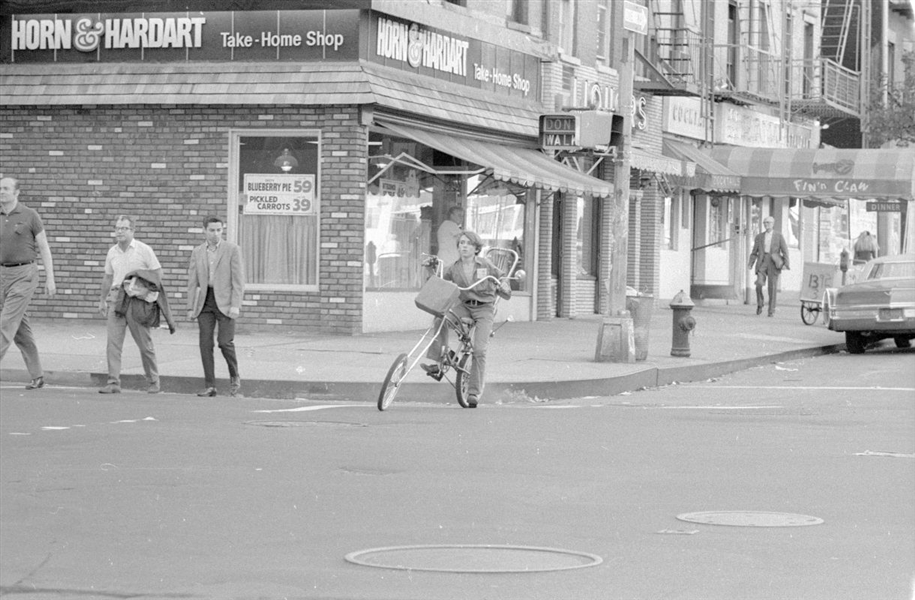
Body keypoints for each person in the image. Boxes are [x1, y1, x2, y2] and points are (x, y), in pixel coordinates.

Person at [421, 230, 510, 407]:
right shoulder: (454, 268)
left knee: (479, 350)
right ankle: (441, 360)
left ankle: (474, 392)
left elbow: (502, 277)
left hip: (484, 308)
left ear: (476, 248)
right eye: (461, 243)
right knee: (440, 319)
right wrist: (430, 269)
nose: (464, 246)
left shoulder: (485, 264)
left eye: (468, 243)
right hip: (464, 306)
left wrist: (504, 284)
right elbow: (439, 281)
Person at [98, 216, 175, 394]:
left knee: (144, 342)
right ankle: (113, 382)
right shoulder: (112, 252)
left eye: (124, 228)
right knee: (113, 342)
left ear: (132, 230)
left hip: (136, 299)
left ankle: (153, 381)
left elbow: (157, 273)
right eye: (117, 228)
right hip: (117, 296)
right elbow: (108, 277)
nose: (120, 231)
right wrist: (102, 299)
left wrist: (141, 283)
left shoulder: (144, 250)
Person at [0, 176, 57, 390]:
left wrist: (50, 278)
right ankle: (37, 375)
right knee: (20, 328)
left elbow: (44, 247)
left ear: (16, 192)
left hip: (24, 274)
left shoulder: (30, 215)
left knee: (5, 324)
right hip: (2, 274)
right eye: (0, 189)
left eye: (6, 189)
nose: (1, 192)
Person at [187, 216, 245, 397]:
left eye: (219, 230)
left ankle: (234, 376)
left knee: (224, 342)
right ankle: (210, 385)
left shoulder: (232, 250)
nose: (215, 234)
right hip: (205, 301)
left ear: (223, 230)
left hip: (226, 302)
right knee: (205, 343)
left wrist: (236, 305)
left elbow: (238, 281)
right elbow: (192, 281)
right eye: (211, 230)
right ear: (204, 230)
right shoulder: (197, 252)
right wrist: (191, 307)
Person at [748, 216, 790, 317]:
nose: (766, 225)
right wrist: (751, 263)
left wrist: (786, 264)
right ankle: (760, 304)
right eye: (764, 223)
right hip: (762, 262)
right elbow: (754, 252)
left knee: (772, 287)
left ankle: (771, 310)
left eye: (768, 223)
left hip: (773, 263)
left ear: (773, 224)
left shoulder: (778, 236)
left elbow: (785, 250)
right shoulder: (759, 237)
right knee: (759, 284)